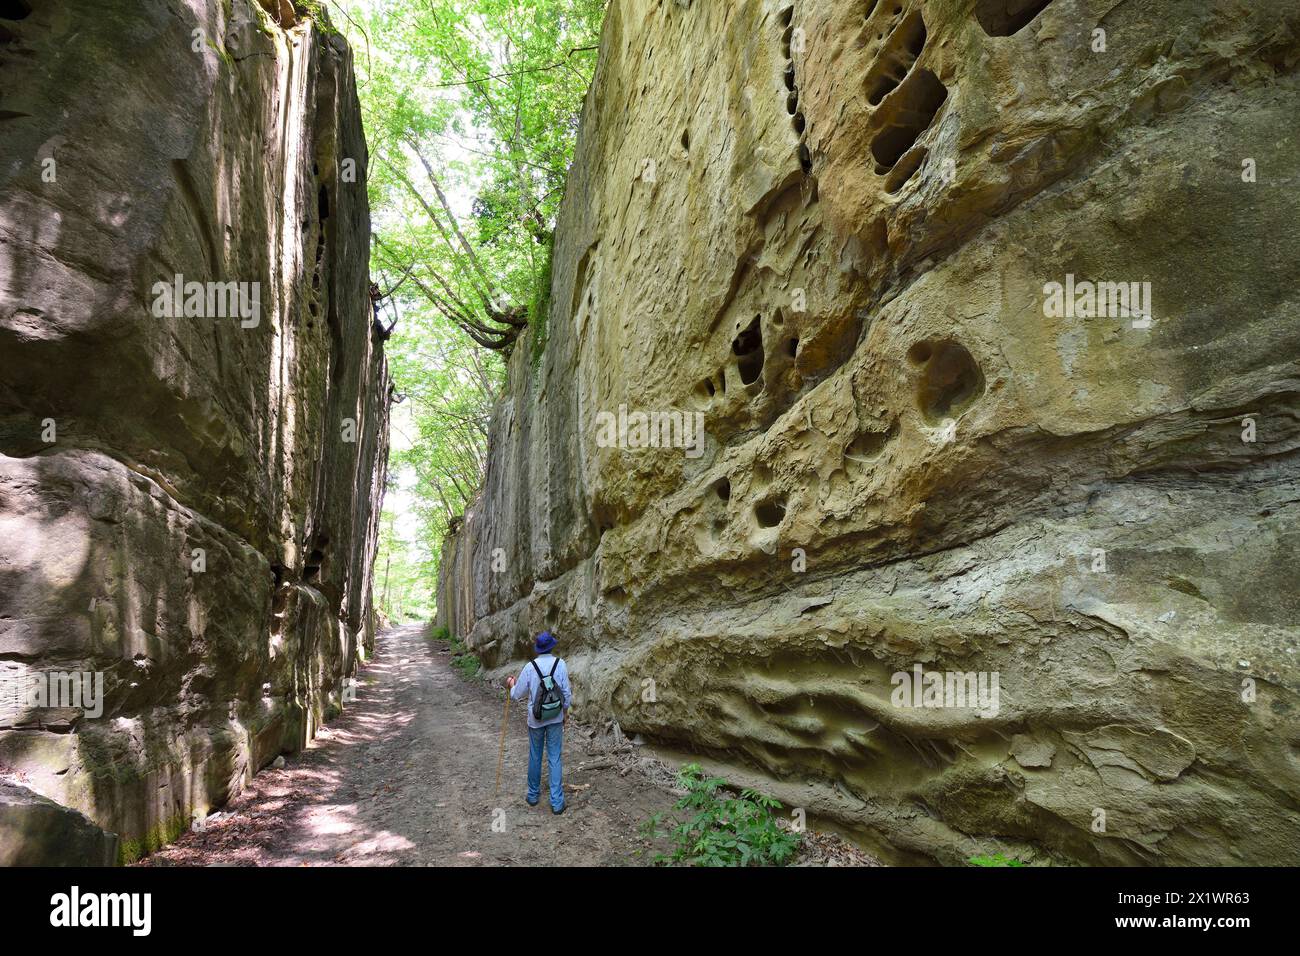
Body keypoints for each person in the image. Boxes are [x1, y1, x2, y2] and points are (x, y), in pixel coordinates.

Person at [505, 631, 572, 814]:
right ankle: (557, 802)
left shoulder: (529, 667)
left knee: (535, 755)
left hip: (535, 719)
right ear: (552, 646)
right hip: (556, 718)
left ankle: (533, 795)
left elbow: (517, 694)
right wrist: (564, 713)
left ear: (538, 649)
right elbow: (566, 694)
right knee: (555, 756)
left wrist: (512, 684)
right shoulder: (560, 664)